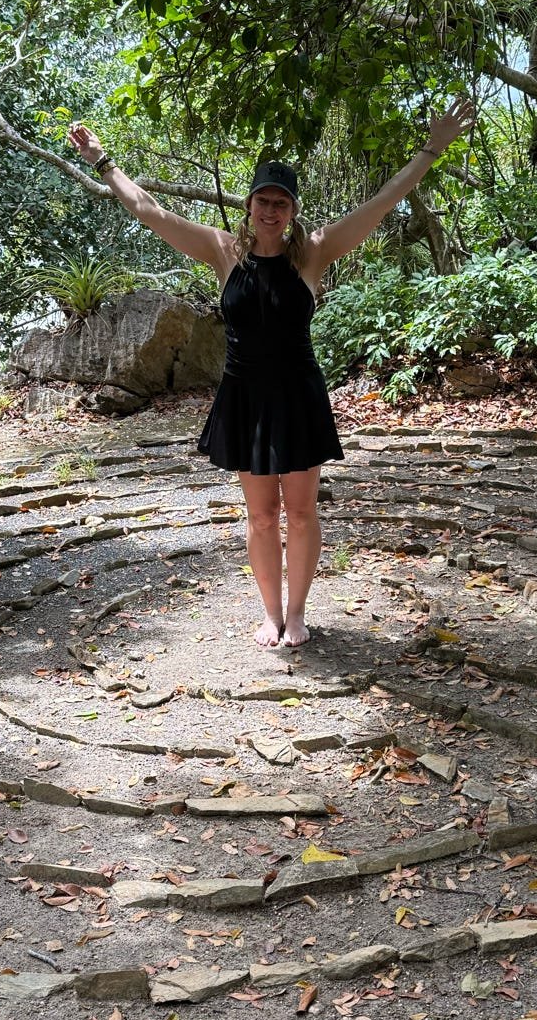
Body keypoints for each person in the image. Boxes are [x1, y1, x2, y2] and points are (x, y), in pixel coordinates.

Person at [66, 98, 475, 648]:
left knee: (301, 512)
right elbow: (150, 212)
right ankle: (270, 614)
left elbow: (383, 202)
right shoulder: (222, 250)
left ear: (293, 209)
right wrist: (102, 161)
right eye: (264, 199)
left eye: (281, 202)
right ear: (251, 203)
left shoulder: (314, 253)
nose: (271, 210)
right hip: (245, 397)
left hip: (297, 395)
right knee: (261, 518)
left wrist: (431, 149)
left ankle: (298, 614)